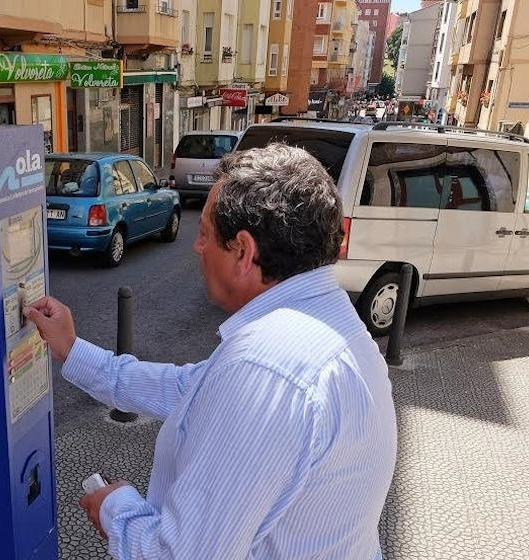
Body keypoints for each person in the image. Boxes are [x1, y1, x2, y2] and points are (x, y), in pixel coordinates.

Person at [24, 144, 397, 559]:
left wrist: (115, 508)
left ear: (242, 251)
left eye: (203, 234)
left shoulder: (265, 366)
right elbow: (191, 387)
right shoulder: (332, 324)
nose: (196, 248)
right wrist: (72, 350)